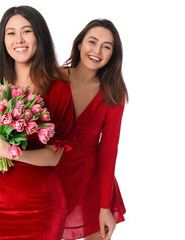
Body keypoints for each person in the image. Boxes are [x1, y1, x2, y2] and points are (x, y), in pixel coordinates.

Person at [0, 6, 75, 240]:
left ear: (39, 36)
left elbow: (54, 156)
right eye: (11, 33)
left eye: (27, 31)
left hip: (41, 208)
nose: (19, 40)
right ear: (3, 39)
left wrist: (11, 152)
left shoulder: (59, 90)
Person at [55, 19, 127, 240]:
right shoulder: (54, 78)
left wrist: (104, 208)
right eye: (92, 42)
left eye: (107, 46)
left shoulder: (113, 94)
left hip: (90, 181)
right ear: (79, 44)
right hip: (50, 172)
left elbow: (108, 151)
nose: (97, 50)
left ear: (113, 54)